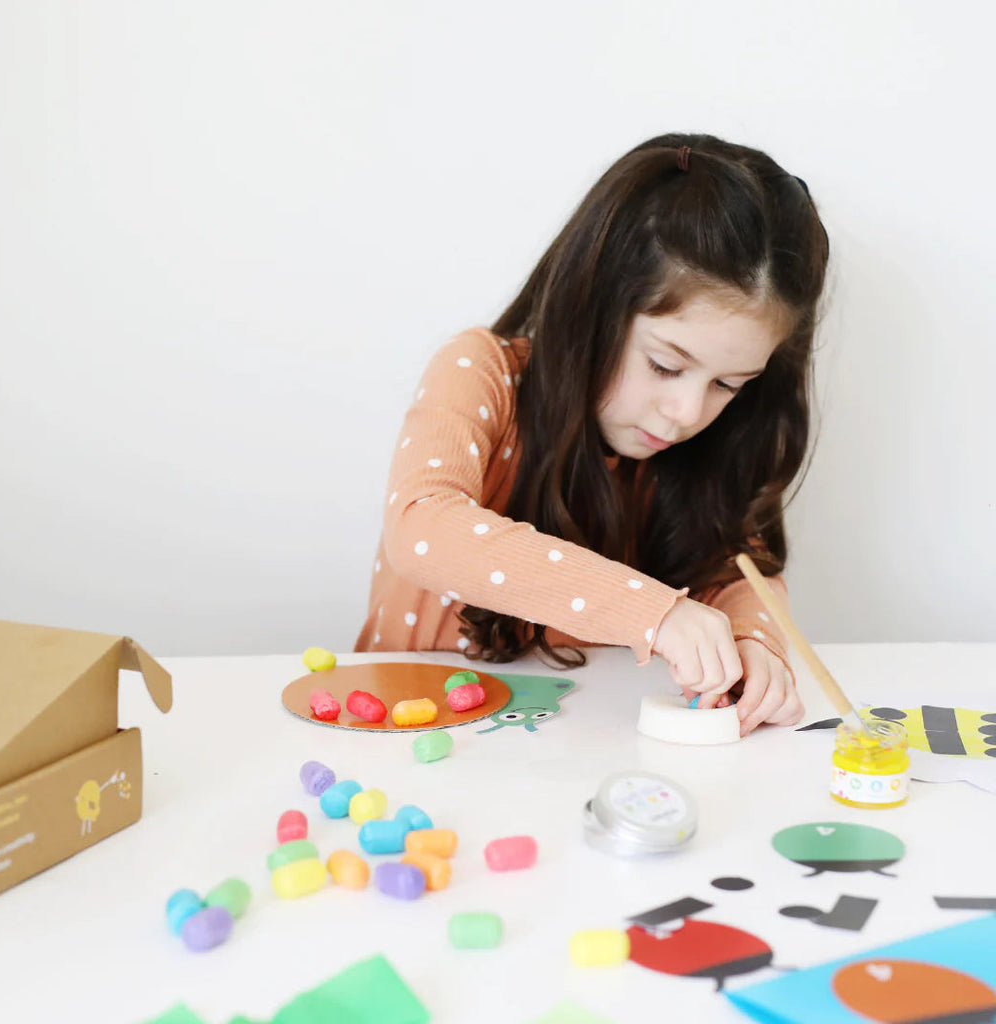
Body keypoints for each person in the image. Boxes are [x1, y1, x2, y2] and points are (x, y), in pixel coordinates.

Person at [355, 132, 830, 736]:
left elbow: (739, 572)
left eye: (728, 384)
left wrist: (753, 641)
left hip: (577, 750)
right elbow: (422, 527)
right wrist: (653, 612)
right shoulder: (483, 372)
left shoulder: (705, 451)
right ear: (593, 307)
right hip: (412, 736)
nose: (687, 412)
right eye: (665, 365)